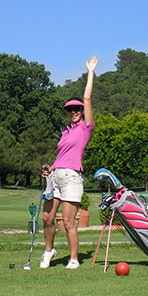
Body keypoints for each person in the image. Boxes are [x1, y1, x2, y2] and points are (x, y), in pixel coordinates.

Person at [40, 56, 98, 270]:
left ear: (82, 111)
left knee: (67, 221)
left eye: (77, 109)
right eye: (70, 110)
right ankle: (49, 251)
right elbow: (60, 155)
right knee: (47, 218)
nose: (73, 112)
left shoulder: (86, 127)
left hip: (72, 177)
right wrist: (48, 170)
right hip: (55, 176)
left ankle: (73, 258)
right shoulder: (66, 131)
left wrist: (90, 72)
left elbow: (88, 97)